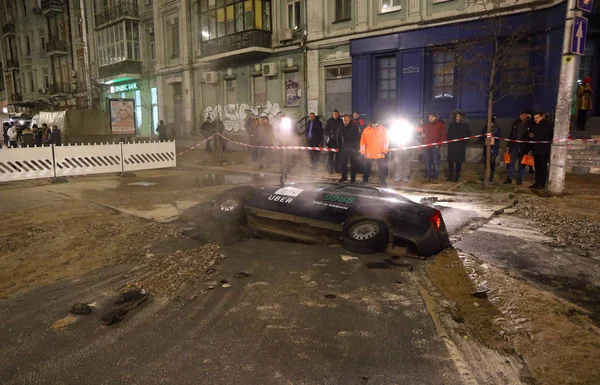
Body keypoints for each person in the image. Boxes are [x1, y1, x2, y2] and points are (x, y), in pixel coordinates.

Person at [504, 111, 533, 185]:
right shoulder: (516, 122)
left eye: (523, 115)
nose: (522, 117)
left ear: (527, 115)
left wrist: (530, 148)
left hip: (524, 146)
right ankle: (509, 177)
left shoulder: (530, 123)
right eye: (521, 115)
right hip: (514, 144)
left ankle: (520, 178)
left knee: (522, 163)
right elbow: (511, 134)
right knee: (511, 162)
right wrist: (508, 145)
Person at [360, 118, 389, 187]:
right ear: (370, 123)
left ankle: (382, 181)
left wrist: (384, 151)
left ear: (377, 123)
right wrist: (363, 151)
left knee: (382, 168)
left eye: (375, 124)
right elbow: (362, 141)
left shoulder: (383, 129)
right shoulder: (366, 130)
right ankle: (365, 180)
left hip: (380, 153)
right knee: (367, 167)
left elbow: (386, 141)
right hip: (369, 153)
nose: (374, 125)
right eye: (372, 124)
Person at [529, 112, 554, 190]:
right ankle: (537, 183)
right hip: (536, 149)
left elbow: (551, 135)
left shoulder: (548, 124)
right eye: (535, 118)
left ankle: (542, 183)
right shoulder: (534, 125)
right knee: (537, 167)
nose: (536, 120)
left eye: (537, 118)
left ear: (542, 116)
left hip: (544, 149)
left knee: (542, 167)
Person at [446, 110, 471, 182]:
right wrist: (449, 140)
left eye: (459, 116)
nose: (457, 117)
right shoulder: (452, 125)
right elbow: (449, 134)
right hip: (452, 146)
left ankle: (456, 177)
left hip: (460, 146)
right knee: (450, 161)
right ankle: (450, 176)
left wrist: (464, 141)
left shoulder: (465, 125)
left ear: (461, 117)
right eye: (456, 116)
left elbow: (468, 134)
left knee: (458, 162)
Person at [421, 113, 446, 183]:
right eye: (429, 117)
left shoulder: (440, 125)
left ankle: (435, 177)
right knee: (427, 162)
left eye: (432, 117)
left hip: (435, 147)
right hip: (427, 147)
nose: (430, 118)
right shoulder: (426, 125)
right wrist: (423, 136)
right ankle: (427, 176)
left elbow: (443, 136)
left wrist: (439, 144)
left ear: (435, 118)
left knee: (435, 163)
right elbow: (424, 135)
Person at [338, 114, 361, 183]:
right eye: (344, 120)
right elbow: (339, 136)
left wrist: (357, 147)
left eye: (347, 120)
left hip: (352, 148)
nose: (345, 121)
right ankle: (344, 177)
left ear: (349, 119)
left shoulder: (354, 126)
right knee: (343, 163)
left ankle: (353, 178)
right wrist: (339, 146)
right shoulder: (341, 125)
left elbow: (357, 137)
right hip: (344, 147)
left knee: (353, 164)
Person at [479, 117, 502, 183]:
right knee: (486, 163)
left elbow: (499, 137)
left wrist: (493, 135)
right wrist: (485, 136)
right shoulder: (485, 128)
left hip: (494, 148)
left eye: (491, 123)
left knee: (492, 162)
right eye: (488, 122)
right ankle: (486, 176)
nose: (489, 124)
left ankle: (491, 176)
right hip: (486, 148)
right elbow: (481, 137)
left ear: (493, 122)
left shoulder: (497, 128)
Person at [324, 110, 343, 174]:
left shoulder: (341, 121)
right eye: (335, 114)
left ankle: (337, 169)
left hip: (338, 142)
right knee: (330, 157)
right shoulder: (329, 121)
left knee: (338, 157)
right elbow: (326, 130)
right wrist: (329, 135)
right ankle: (330, 169)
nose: (336, 115)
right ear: (332, 114)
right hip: (331, 142)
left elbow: (343, 130)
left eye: (337, 114)